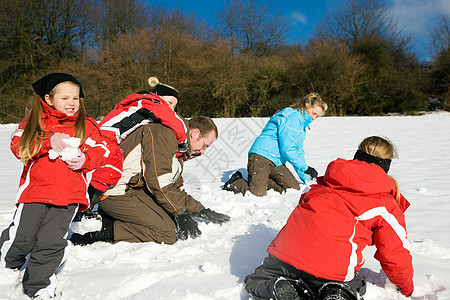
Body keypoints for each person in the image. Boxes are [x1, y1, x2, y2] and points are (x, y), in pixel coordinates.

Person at [244, 136, 414, 300]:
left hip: (285, 257)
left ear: (357, 155)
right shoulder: (385, 203)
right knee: (356, 285)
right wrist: (405, 287)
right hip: (333, 269)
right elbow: (395, 253)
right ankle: (337, 291)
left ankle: (279, 288)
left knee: (257, 281)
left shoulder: (323, 183)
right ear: (386, 165)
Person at [0, 73, 110, 299]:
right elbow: (17, 145)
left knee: (51, 242)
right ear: (49, 99)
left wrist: (86, 160)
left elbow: (103, 150)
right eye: (65, 98)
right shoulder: (35, 121)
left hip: (69, 197)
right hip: (35, 194)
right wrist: (46, 142)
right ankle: (7, 266)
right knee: (23, 238)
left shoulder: (87, 124)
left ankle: (38, 287)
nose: (72, 103)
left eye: (76, 98)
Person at [71, 97, 230, 245]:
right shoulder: (163, 134)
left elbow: (174, 189)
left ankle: (115, 219)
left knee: (171, 218)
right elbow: (158, 182)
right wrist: (181, 214)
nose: (203, 152)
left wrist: (201, 210)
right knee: (168, 232)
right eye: (204, 146)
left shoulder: (178, 147)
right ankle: (103, 230)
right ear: (195, 133)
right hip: (115, 193)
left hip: (133, 191)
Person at [74, 76, 188, 221]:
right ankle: (81, 207)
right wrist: (183, 142)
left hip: (111, 138)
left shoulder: (146, 106)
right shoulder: (151, 103)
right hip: (105, 136)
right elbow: (173, 120)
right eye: (170, 102)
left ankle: (87, 206)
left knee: (111, 172)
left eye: (175, 105)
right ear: (158, 96)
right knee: (103, 172)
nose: (172, 107)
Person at [223, 93, 327, 197]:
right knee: (257, 194)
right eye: (314, 113)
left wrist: (305, 176)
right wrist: (305, 168)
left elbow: (297, 151)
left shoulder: (302, 125)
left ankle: (261, 179)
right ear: (307, 105)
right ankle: (235, 183)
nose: (314, 118)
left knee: (292, 189)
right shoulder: (293, 118)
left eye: (317, 116)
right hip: (262, 156)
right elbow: (288, 149)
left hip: (276, 161)